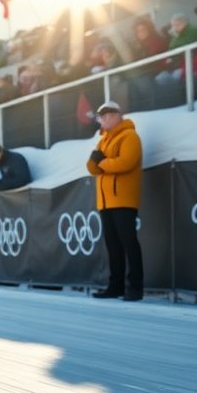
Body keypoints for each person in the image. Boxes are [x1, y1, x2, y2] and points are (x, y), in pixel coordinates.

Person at [86, 101, 143, 302]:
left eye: (107, 116)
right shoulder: (103, 141)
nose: (103, 120)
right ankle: (115, 286)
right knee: (113, 246)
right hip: (105, 201)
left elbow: (125, 162)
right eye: (101, 117)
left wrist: (101, 162)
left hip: (123, 199)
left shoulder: (130, 136)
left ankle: (135, 287)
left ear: (118, 116)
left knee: (129, 243)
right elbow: (91, 168)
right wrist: (97, 162)